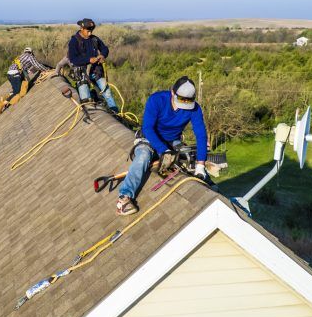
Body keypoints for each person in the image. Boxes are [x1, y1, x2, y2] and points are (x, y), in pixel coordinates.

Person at [116, 76, 216, 216]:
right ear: (172, 93)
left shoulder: (194, 109)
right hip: (149, 138)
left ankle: (205, 180)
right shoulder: (157, 100)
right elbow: (148, 128)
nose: (185, 106)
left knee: (188, 156)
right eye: (182, 100)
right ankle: (124, 197)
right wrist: (164, 150)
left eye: (189, 101)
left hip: (172, 140)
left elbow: (200, 135)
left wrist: (200, 165)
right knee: (143, 157)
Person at [66, 18, 119, 113]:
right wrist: (88, 60)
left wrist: (102, 55)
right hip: (81, 74)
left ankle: (116, 114)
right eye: (88, 31)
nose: (90, 33)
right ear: (81, 28)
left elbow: (105, 49)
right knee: (86, 100)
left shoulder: (94, 39)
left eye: (91, 31)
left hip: (96, 71)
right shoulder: (74, 42)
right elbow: (73, 59)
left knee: (107, 92)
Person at [0, 47, 51, 114]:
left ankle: (5, 98)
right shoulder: (30, 56)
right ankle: (2, 104)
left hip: (10, 74)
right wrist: (47, 69)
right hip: (15, 74)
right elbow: (36, 65)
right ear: (31, 52)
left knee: (16, 90)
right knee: (18, 92)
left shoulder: (20, 57)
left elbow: (27, 70)